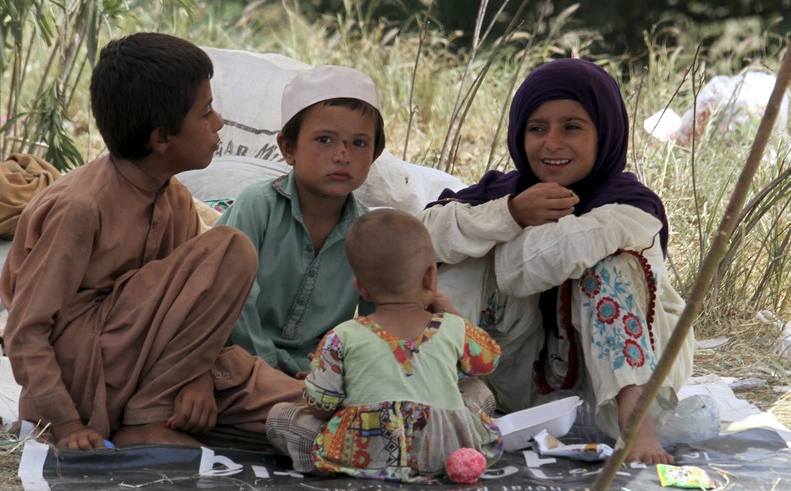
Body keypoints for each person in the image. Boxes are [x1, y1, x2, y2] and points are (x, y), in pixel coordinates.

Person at [0, 32, 302, 451]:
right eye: (206, 112)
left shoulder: (174, 197)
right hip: (86, 382)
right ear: (161, 139)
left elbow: (189, 312)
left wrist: (196, 378)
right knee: (230, 248)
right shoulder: (81, 207)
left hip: (154, 369)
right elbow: (25, 330)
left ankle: (161, 409)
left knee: (305, 411)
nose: (218, 124)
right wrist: (66, 423)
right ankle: (147, 421)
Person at [417, 58, 694, 465]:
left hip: (605, 389)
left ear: (605, 133)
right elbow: (416, 237)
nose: (551, 142)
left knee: (608, 267)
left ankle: (638, 428)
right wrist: (508, 212)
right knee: (454, 260)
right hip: (511, 379)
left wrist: (502, 231)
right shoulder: (505, 191)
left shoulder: (632, 205)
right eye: (536, 128)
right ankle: (437, 399)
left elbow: (525, 268)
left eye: (572, 127)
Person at [271, 209, 503, 482]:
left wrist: (320, 376)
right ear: (431, 277)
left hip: (365, 454)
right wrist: (453, 314)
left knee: (279, 418)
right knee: (477, 390)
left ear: (361, 288)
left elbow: (322, 407)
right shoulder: (452, 326)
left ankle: (351, 467)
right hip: (443, 449)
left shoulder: (341, 335)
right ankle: (457, 461)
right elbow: (488, 360)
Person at [215, 65, 385, 376]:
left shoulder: (369, 236)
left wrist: (341, 374)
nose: (342, 155)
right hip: (239, 360)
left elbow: (383, 320)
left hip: (318, 374)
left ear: (374, 154)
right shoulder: (258, 206)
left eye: (359, 143)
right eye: (325, 140)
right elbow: (232, 301)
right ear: (288, 148)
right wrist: (268, 372)